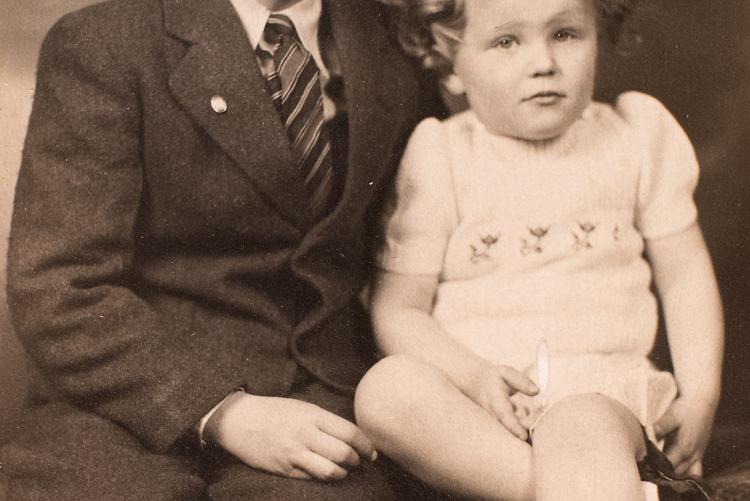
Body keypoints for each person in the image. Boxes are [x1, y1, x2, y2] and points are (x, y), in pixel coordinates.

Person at [0, 0, 444, 499]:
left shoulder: (395, 41)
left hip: (321, 397)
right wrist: (225, 413)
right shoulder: (106, 41)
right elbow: (59, 285)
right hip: (124, 397)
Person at [354, 0, 724, 499]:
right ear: (450, 62)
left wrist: (701, 392)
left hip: (603, 396)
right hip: (480, 405)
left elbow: (684, 274)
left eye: (566, 34)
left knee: (578, 423)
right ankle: (601, 490)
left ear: (599, 36)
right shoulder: (441, 154)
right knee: (384, 391)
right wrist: (475, 376)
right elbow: (399, 310)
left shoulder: (634, 136)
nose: (543, 62)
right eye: (507, 41)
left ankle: (587, 479)